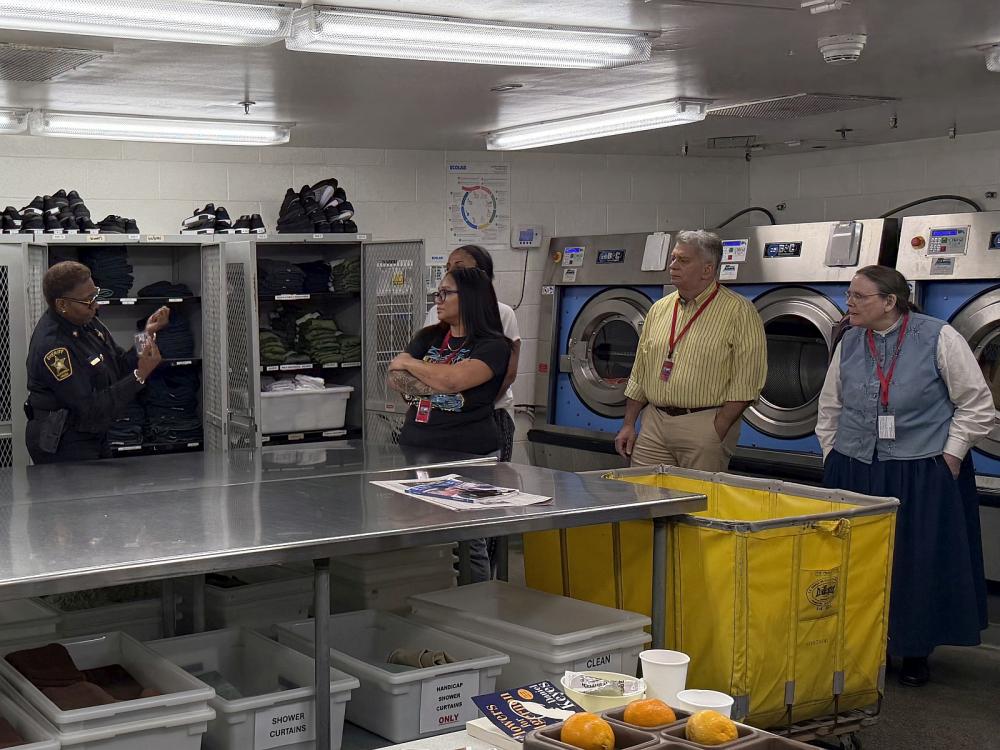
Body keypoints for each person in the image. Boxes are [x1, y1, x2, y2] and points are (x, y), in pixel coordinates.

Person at [816, 265, 993, 687]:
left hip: (920, 468)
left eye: (859, 296)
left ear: (889, 302)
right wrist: (832, 454)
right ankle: (861, 645)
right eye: (849, 294)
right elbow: (830, 403)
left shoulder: (939, 336)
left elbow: (976, 403)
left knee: (915, 561)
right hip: (855, 467)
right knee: (855, 562)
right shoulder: (850, 340)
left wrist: (951, 456)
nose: (849, 303)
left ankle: (914, 650)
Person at [389, 267, 512, 582]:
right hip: (417, 448)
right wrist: (436, 379)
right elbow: (395, 378)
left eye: (445, 293)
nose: (438, 300)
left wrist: (415, 366)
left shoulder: (494, 345)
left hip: (468, 455)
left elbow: (454, 381)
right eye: (437, 293)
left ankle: (477, 601)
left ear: (470, 298)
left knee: (469, 540)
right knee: (418, 526)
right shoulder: (428, 337)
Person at [614, 230, 767, 470]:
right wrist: (628, 424)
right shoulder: (659, 309)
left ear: (707, 269)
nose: (673, 266)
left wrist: (717, 428)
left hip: (703, 424)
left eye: (683, 260)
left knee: (698, 503)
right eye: (673, 258)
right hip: (654, 422)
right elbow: (639, 373)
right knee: (644, 499)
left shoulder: (739, 312)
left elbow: (747, 381)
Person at [25, 261, 168, 464]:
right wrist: (139, 376)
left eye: (95, 295)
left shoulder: (87, 323)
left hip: (92, 433)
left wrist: (147, 333)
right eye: (87, 300)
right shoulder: (55, 349)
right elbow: (88, 409)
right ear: (62, 305)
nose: (96, 304)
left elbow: (117, 365)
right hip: (63, 440)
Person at [424, 245, 521, 462]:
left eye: (459, 267)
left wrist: (477, 405)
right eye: (448, 267)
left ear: (481, 274)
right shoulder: (436, 312)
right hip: (443, 413)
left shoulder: (502, 312)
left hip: (490, 413)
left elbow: (509, 372)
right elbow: (423, 362)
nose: (451, 273)